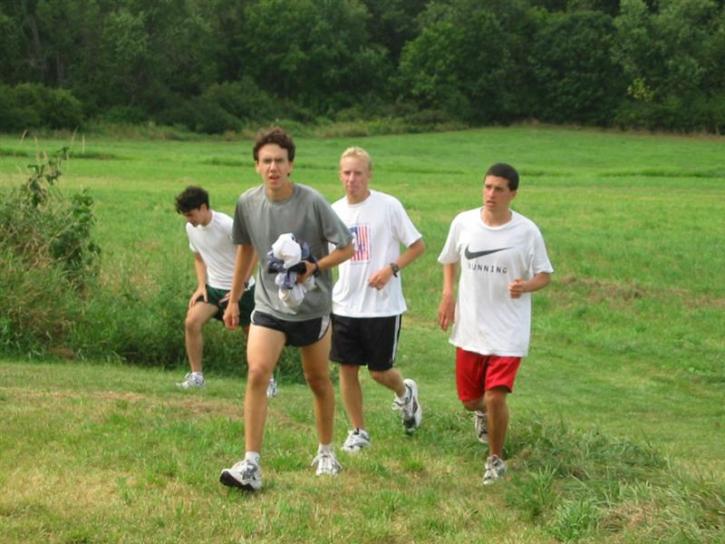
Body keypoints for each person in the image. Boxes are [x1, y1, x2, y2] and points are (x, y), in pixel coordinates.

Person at [219, 127, 354, 491]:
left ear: (291, 165)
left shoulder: (312, 202)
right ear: (256, 167)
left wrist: (315, 266)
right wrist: (233, 298)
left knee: (318, 380)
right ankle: (250, 465)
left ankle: (327, 451)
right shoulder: (247, 202)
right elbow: (245, 248)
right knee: (258, 371)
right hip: (268, 303)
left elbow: (347, 248)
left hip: (311, 306)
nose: (273, 167)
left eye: (280, 161)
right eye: (266, 161)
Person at [437, 163, 553, 485]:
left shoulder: (527, 232)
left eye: (499, 189)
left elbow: (544, 275)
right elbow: (448, 259)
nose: (491, 194)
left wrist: (525, 286)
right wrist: (448, 294)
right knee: (471, 401)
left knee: (495, 397)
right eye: (487, 187)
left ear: (513, 193)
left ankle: (495, 460)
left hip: (509, 329)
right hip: (471, 328)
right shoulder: (464, 222)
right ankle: (482, 416)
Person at [330, 147, 425, 453]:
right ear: (340, 175)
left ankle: (404, 392)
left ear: (369, 174)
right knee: (347, 368)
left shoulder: (388, 206)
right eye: (347, 172)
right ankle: (358, 431)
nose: (352, 179)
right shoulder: (334, 212)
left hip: (382, 306)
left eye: (358, 173)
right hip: (344, 304)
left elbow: (417, 246)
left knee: (379, 371)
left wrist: (391, 268)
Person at [174, 186, 267, 392]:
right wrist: (201, 285)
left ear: (204, 207)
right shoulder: (191, 228)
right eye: (185, 216)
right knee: (192, 322)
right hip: (213, 289)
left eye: (190, 214)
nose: (188, 219)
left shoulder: (226, 225)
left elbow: (252, 254)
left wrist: (241, 287)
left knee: (253, 336)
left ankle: (267, 382)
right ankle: (197, 377)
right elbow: (198, 257)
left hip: (241, 290)